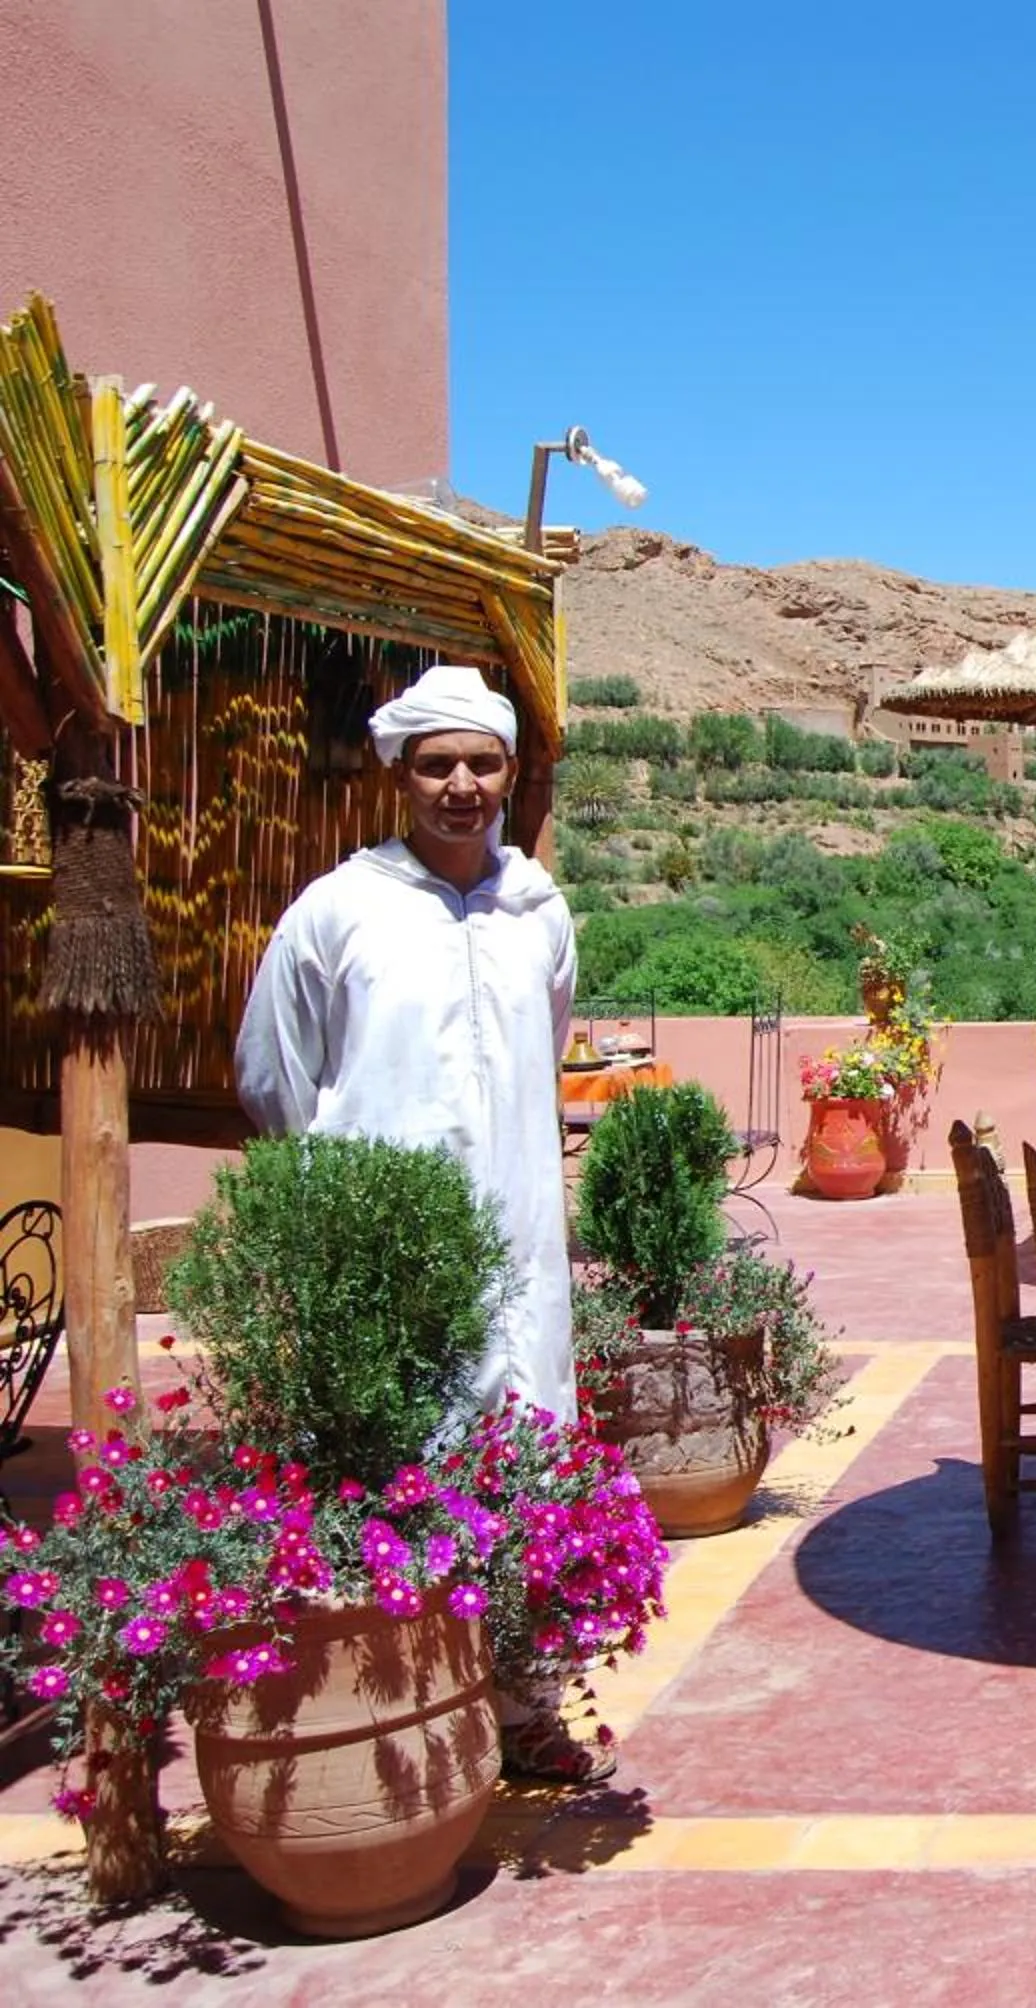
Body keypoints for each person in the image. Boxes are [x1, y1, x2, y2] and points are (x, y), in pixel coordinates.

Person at [234, 662, 611, 1784]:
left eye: (481, 763)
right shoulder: (337, 911)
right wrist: (349, 1198)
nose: (461, 784)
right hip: (387, 1255)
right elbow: (275, 1075)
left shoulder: (536, 911)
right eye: (436, 762)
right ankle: (408, 1712)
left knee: (523, 1458)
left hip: (521, 1244)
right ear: (397, 773)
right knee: (398, 1462)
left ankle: (526, 1702)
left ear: (509, 772)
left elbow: (547, 1047)